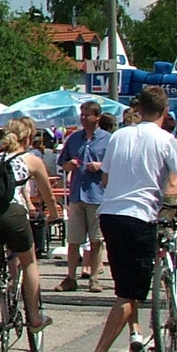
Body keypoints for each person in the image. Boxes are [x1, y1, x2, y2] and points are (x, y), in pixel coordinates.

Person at [83, 87, 177, 352]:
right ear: (164, 110)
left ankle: (134, 335)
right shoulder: (166, 140)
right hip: (139, 217)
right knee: (130, 294)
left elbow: (108, 177)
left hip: (110, 213)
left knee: (125, 285)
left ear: (140, 108)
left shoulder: (120, 135)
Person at [0, 117, 60, 338]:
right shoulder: (31, 160)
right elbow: (47, 194)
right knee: (29, 262)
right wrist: (54, 215)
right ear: (28, 137)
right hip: (12, 215)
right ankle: (35, 317)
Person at [56, 100, 111, 293]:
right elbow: (62, 163)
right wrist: (69, 164)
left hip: (97, 195)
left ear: (97, 117)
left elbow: (115, 165)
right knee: (74, 240)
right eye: (82, 114)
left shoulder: (108, 139)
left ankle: (94, 278)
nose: (84, 118)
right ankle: (70, 277)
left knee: (96, 240)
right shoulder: (74, 139)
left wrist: (101, 166)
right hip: (77, 194)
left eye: (88, 115)